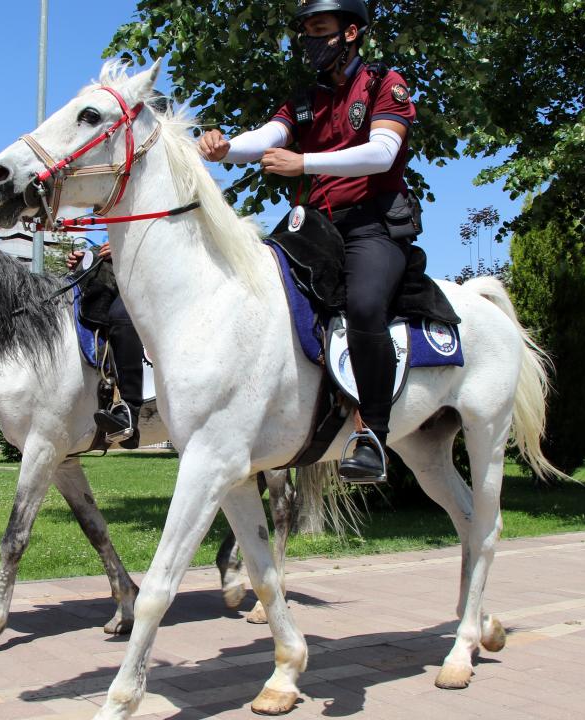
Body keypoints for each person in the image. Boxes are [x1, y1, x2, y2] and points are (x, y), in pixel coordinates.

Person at [198, 0, 419, 481]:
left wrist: (304, 163)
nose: (310, 40)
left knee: (364, 307)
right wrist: (226, 148)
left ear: (351, 33)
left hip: (373, 226)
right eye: (306, 32)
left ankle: (373, 436)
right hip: (317, 227)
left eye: (320, 29)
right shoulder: (304, 99)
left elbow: (383, 153)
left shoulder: (385, 84)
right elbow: (268, 136)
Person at [67, 242, 145, 447]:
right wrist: (87, 259)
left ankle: (129, 412)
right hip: (117, 277)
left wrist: (125, 250)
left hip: (151, 273)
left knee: (121, 315)